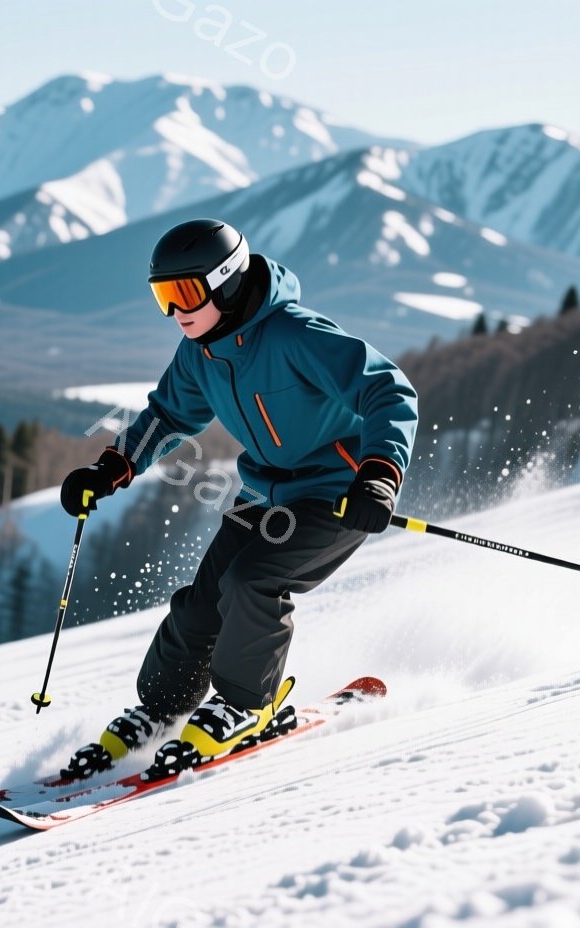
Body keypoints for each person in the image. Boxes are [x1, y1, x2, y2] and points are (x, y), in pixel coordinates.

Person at [56, 218, 418, 776]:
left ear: (224, 283)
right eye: (163, 297)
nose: (175, 312)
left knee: (255, 581)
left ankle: (248, 705)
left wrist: (380, 473)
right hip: (264, 493)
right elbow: (168, 415)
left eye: (184, 294)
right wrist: (110, 469)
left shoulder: (295, 334)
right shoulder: (199, 350)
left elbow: (388, 389)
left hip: (337, 493)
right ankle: (160, 711)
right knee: (204, 602)